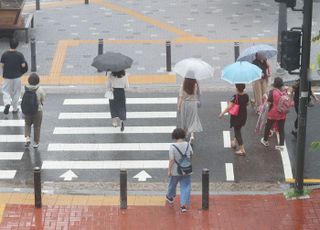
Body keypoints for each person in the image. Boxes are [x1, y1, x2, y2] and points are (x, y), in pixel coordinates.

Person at [166, 128, 193, 213]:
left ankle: (170, 197)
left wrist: (169, 170)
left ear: (174, 136)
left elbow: (171, 160)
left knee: (172, 184)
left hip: (175, 170)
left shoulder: (172, 146)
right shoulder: (188, 145)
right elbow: (191, 154)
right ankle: (183, 205)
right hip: (186, 169)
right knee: (185, 186)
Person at [219, 84, 249, 155]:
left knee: (237, 131)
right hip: (244, 116)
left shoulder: (235, 97)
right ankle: (234, 142)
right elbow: (247, 104)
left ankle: (242, 149)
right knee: (238, 128)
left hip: (237, 117)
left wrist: (222, 113)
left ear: (237, 88)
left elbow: (229, 107)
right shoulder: (246, 96)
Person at [1, 38, 28, 114]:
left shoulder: (5, 54)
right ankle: (15, 109)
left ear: (9, 44)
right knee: (16, 92)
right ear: (17, 45)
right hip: (17, 77)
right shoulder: (19, 55)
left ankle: (7, 103)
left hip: (7, 76)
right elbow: (23, 65)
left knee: (5, 91)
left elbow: (2, 65)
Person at [261, 77, 287, 149]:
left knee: (268, 126)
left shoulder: (272, 92)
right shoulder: (284, 91)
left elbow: (269, 102)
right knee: (281, 129)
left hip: (273, 113)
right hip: (282, 113)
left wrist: (265, 97)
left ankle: (265, 140)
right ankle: (281, 145)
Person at [177, 78, 202, 143]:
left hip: (184, 104)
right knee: (192, 119)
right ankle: (192, 135)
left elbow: (181, 97)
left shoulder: (183, 85)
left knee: (184, 119)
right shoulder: (195, 85)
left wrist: (179, 106)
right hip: (193, 104)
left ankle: (184, 134)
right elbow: (199, 94)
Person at [23, 73, 45, 148]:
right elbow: (43, 99)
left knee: (27, 123)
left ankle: (27, 138)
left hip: (27, 110)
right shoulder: (40, 89)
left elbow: (22, 97)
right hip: (38, 110)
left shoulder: (24, 88)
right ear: (38, 81)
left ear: (28, 80)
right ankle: (36, 143)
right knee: (37, 126)